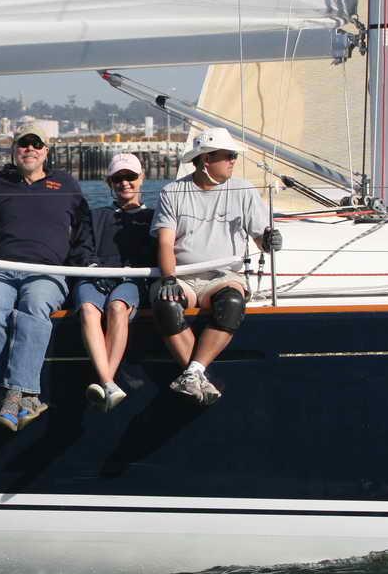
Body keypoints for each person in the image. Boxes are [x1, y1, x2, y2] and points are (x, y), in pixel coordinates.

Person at [0, 125, 94, 432]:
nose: (30, 149)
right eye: (23, 144)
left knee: (34, 307)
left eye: (37, 144)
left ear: (46, 151)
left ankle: (11, 395)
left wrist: (80, 271)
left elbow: (84, 231)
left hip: (47, 272)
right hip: (0, 270)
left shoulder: (66, 184)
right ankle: (23, 395)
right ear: (14, 149)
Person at [150, 127, 282, 405]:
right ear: (206, 159)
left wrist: (270, 241)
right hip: (182, 276)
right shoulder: (172, 192)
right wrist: (169, 278)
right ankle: (199, 376)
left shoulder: (244, 190)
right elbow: (165, 242)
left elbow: (261, 240)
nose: (234, 160)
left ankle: (193, 373)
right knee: (166, 304)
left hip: (223, 277)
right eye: (229, 155)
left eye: (234, 155)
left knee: (232, 302)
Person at [73, 153, 156, 412]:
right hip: (96, 277)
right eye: (118, 178)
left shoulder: (153, 217)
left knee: (118, 307)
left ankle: (104, 382)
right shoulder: (94, 215)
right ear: (109, 182)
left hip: (132, 279)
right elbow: (82, 249)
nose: (125, 183)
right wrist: (93, 268)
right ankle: (109, 383)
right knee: (88, 309)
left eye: (130, 177)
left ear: (141, 178)